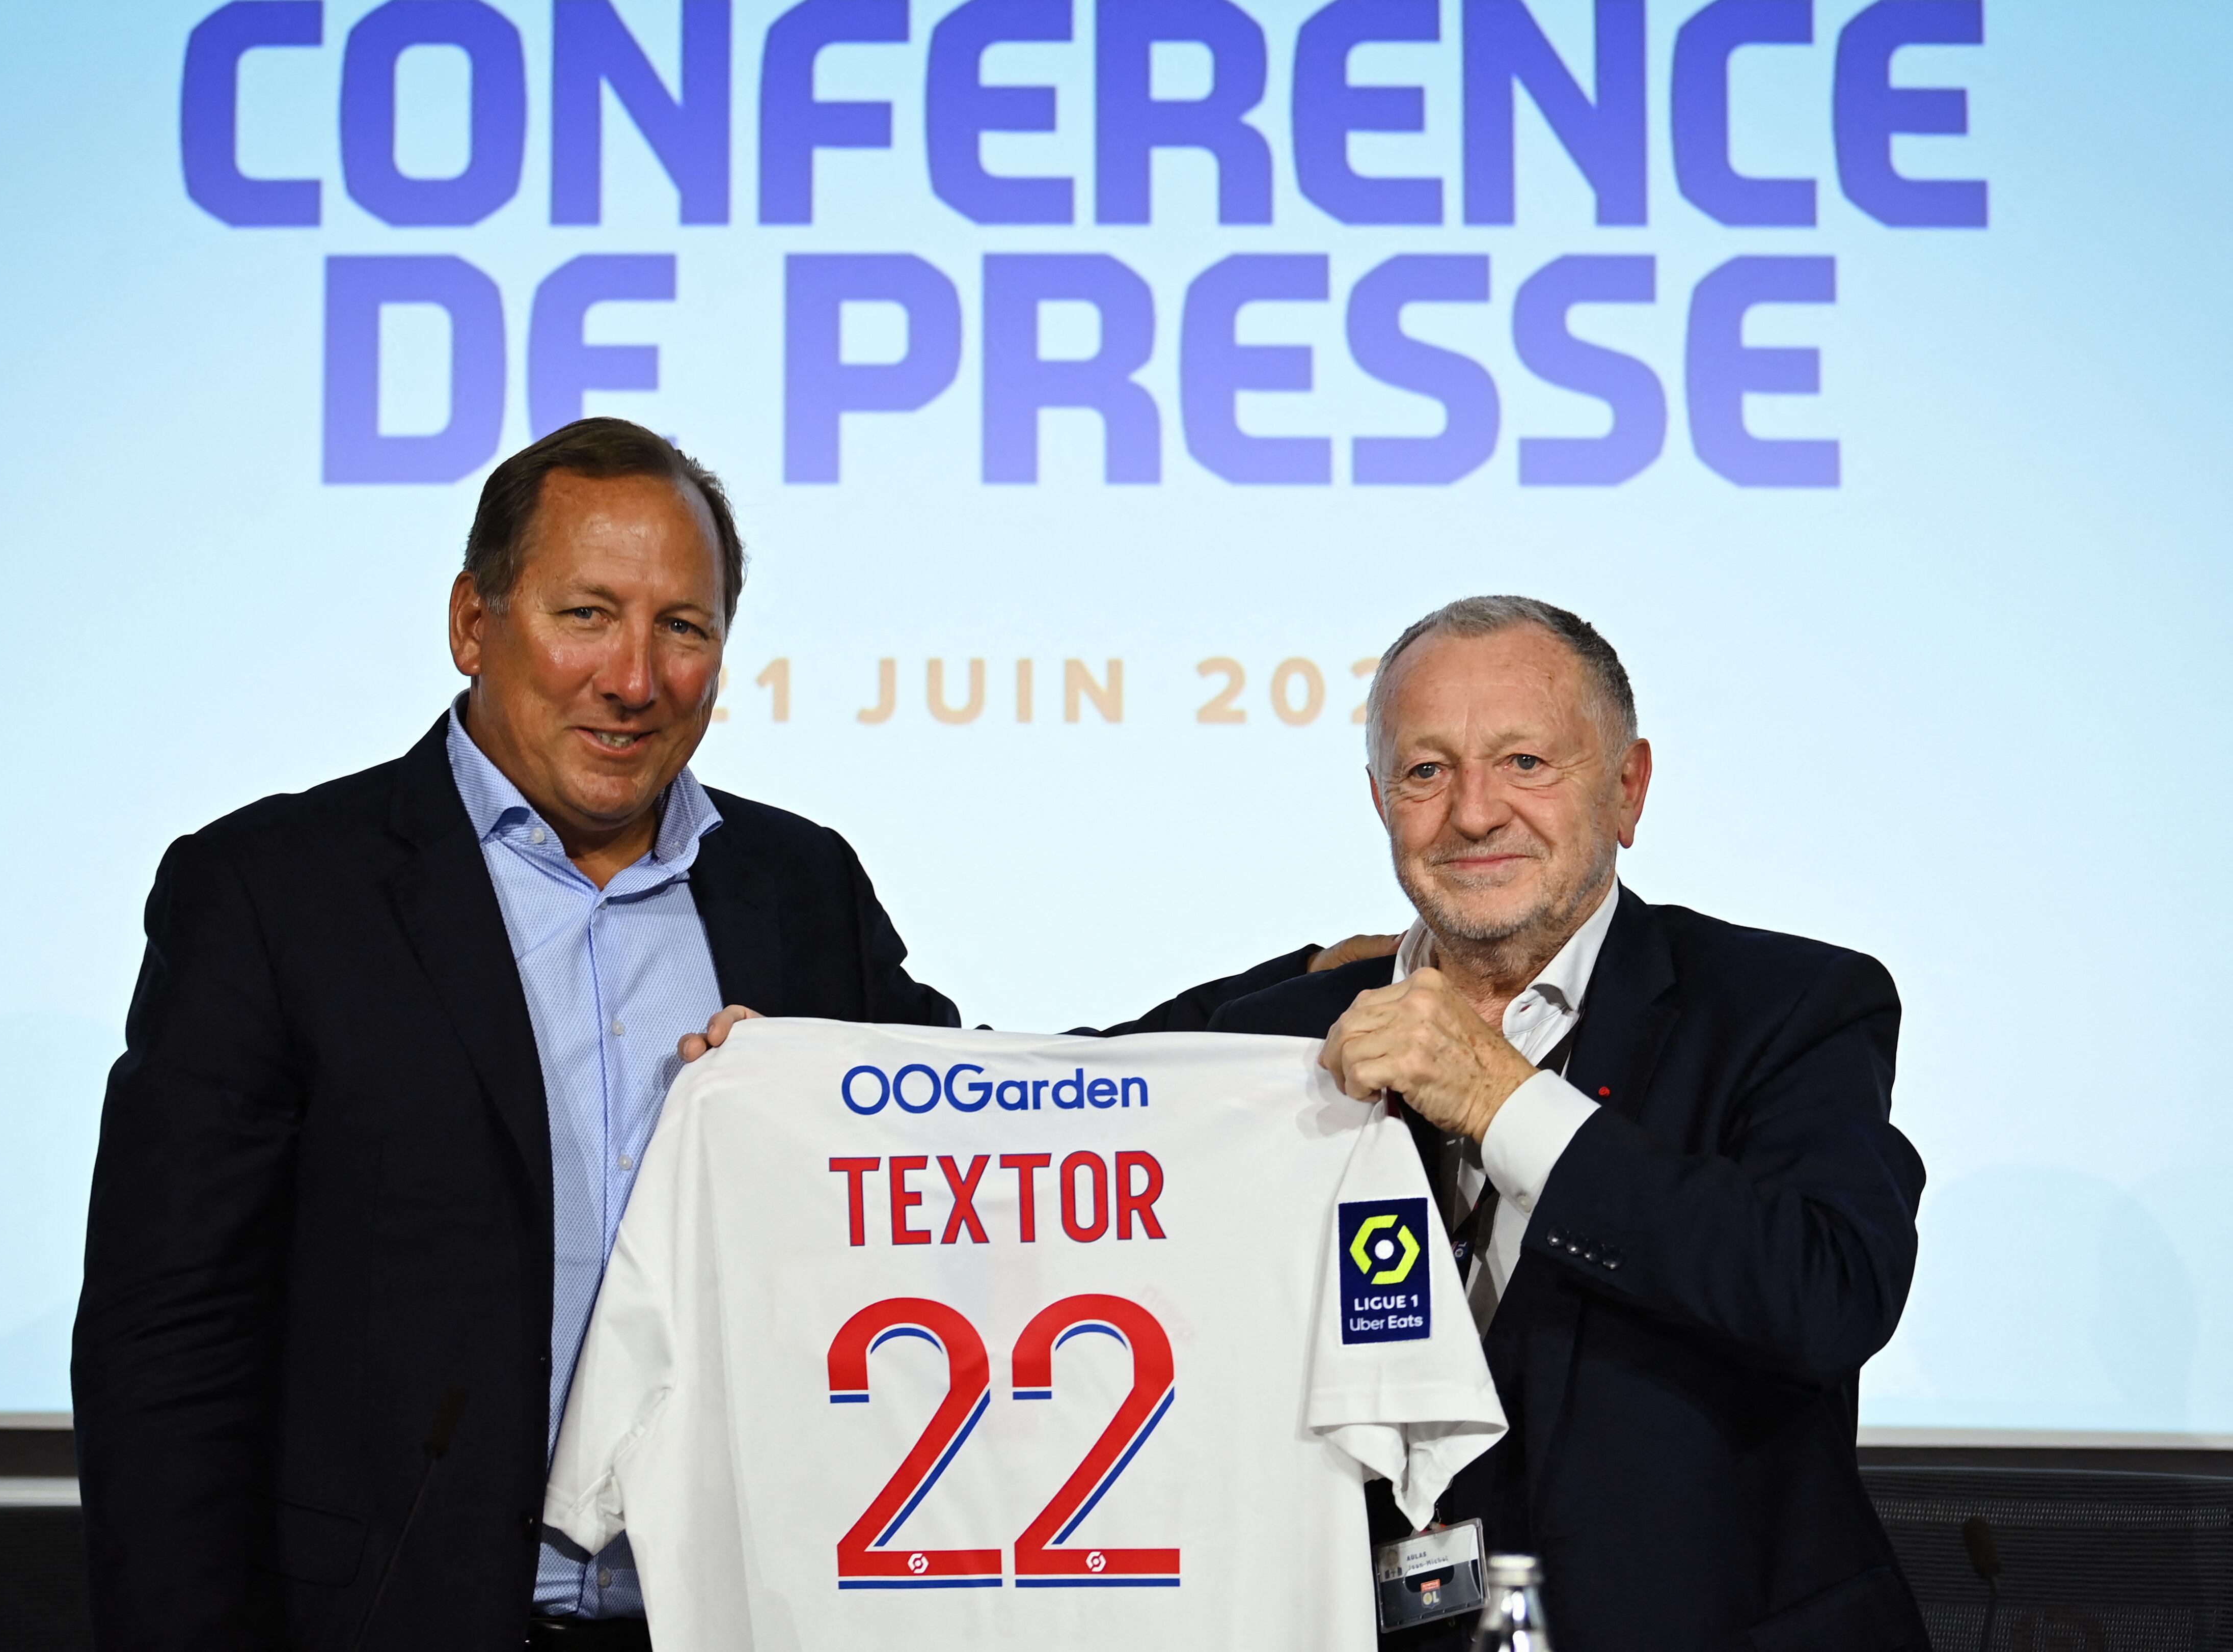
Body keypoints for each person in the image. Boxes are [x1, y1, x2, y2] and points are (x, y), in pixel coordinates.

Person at [70, 418, 1336, 1651]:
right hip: (390, 1612)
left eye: (684, 627)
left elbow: (1003, 1110)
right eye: (587, 614)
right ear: (473, 621)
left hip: (733, 1612)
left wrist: (1310, 993)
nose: (636, 676)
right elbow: (168, 1334)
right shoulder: (275, 891)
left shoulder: (795, 886)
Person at [1207, 597, 1931, 1652]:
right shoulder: (1284, 1037)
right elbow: (1051, 1082)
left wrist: (1504, 1101)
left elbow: (1823, 1291)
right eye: (1425, 772)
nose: (1472, 812)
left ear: (1627, 787)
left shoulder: (1788, 1002)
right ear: (1377, 800)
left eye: (1525, 762)